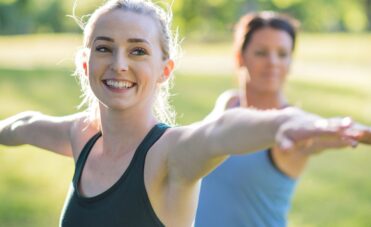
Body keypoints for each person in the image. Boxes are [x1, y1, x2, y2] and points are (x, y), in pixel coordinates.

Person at [0, 2, 369, 227]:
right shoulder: (80, 136)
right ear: (85, 62)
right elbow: (23, 125)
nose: (118, 64)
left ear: (165, 69)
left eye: (138, 51)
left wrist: (289, 122)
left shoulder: (170, 153)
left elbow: (221, 132)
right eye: (104, 48)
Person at [195, 11, 371, 227]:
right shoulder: (228, 103)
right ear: (239, 57)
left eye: (282, 54)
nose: (272, 62)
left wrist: (356, 132)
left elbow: (319, 127)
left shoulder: (297, 128)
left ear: (290, 62)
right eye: (261, 52)